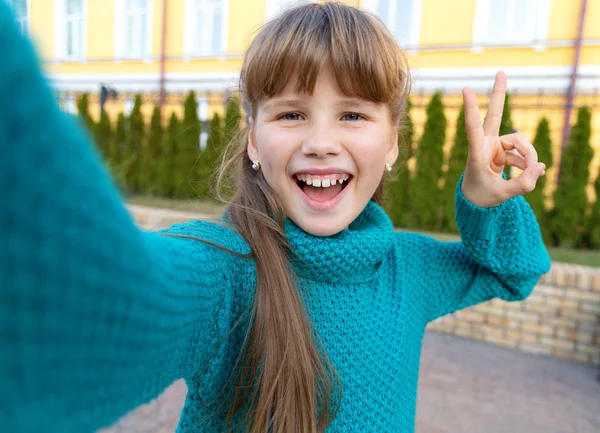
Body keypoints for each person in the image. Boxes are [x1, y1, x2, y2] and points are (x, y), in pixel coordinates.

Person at [0, 2, 551, 433]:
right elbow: (97, 315)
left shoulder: (407, 267)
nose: (320, 142)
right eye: (291, 113)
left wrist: (482, 201)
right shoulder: (222, 273)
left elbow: (513, 272)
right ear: (254, 142)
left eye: (353, 114)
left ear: (391, 146)